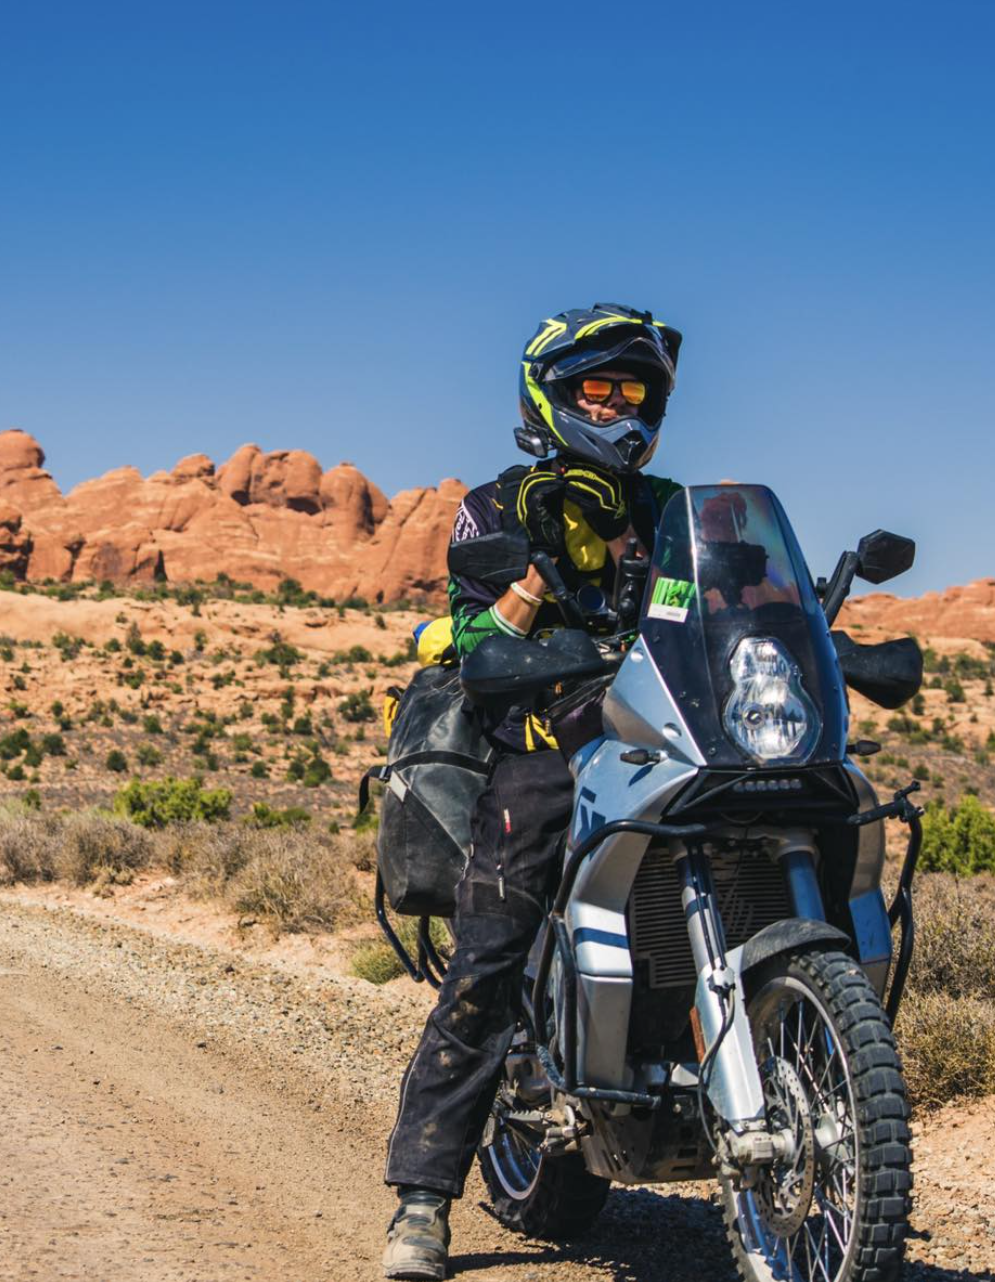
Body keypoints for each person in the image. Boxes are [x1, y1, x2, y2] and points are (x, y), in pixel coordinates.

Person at [381, 304, 685, 1281]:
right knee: (490, 955)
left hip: (665, 745)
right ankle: (422, 1201)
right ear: (552, 397)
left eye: (630, 390)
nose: (615, 406)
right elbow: (476, 642)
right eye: (596, 389)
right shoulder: (498, 505)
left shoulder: (670, 508)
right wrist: (538, 573)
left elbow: (730, 598)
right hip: (546, 747)